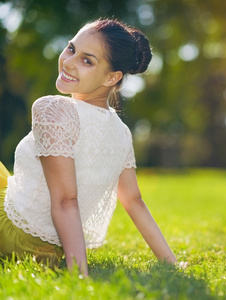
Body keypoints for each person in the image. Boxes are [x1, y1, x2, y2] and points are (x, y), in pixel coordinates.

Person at [0, 18, 178, 276]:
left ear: (112, 77)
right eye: (71, 48)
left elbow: (65, 201)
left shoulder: (54, 109)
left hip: (14, 234)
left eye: (87, 60)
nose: (69, 62)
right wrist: (170, 262)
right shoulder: (121, 132)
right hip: (49, 250)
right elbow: (134, 201)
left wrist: (79, 275)